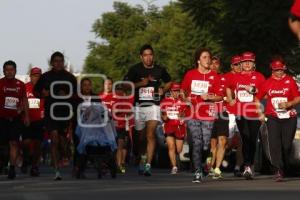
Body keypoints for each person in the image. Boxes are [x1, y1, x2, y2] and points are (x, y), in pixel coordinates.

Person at [124, 44, 172, 176]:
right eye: (145, 55)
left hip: (154, 105)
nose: (148, 58)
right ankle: (142, 157)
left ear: (153, 56)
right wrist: (140, 84)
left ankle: (148, 165)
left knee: (150, 134)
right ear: (141, 57)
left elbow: (169, 81)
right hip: (139, 106)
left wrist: (164, 89)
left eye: (150, 55)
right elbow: (125, 85)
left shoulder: (159, 69)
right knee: (141, 138)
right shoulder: (135, 70)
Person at [181, 48, 222, 183]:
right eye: (204, 57)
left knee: (205, 145)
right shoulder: (190, 74)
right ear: (198, 60)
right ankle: (197, 171)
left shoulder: (214, 76)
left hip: (208, 113)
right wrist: (196, 98)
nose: (208, 60)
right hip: (192, 113)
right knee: (197, 142)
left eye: (209, 57)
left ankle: (203, 164)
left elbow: (219, 97)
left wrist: (210, 97)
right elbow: (182, 95)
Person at [34, 52, 77, 180]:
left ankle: (65, 154)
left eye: (60, 61)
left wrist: (68, 95)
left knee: (63, 142)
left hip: (65, 112)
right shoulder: (46, 76)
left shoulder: (69, 77)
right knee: (54, 139)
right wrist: (43, 94)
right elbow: (36, 91)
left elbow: (77, 94)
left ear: (63, 62)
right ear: (52, 63)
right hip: (51, 111)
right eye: (56, 61)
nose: (58, 63)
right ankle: (56, 170)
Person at [256, 58, 300, 182]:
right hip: (273, 117)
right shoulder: (267, 83)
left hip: (289, 117)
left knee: (286, 145)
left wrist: (289, 103)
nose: (279, 72)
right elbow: (257, 98)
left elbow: (298, 98)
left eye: (281, 70)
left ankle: (285, 165)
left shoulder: (290, 81)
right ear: (272, 71)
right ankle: (279, 170)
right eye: (276, 70)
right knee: (275, 144)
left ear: (284, 69)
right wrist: (260, 113)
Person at [226, 52, 265, 180]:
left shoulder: (259, 77)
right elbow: (228, 87)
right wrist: (231, 99)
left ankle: (250, 164)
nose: (247, 64)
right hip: (240, 111)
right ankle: (247, 166)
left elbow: (265, 94)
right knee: (245, 137)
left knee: (252, 139)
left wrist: (254, 90)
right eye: (244, 62)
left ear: (254, 64)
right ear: (241, 64)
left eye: (250, 62)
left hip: (254, 112)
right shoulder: (235, 77)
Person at [0, 60, 30, 179]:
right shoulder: (0, 83)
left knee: (14, 143)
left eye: (11, 69)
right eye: (7, 70)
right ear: (3, 71)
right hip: (2, 118)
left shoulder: (20, 84)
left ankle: (12, 168)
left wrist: (27, 115)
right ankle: (4, 163)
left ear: (15, 71)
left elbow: (25, 100)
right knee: (3, 145)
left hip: (16, 119)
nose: (9, 72)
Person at [208, 56, 229, 180]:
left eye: (216, 63)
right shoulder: (204, 78)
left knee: (223, 141)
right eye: (211, 63)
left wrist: (228, 99)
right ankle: (210, 166)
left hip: (222, 112)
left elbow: (230, 94)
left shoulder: (224, 78)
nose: (214, 66)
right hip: (207, 114)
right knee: (213, 143)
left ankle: (217, 168)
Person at [160, 82, 188, 174]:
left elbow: (186, 114)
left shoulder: (183, 101)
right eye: (174, 91)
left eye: (177, 91)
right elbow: (162, 114)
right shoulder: (165, 101)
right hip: (169, 126)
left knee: (178, 149)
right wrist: (164, 117)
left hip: (180, 127)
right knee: (171, 146)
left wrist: (182, 115)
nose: (175, 93)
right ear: (170, 91)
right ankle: (174, 166)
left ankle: (175, 160)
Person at [22, 67, 44, 177]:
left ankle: (35, 166)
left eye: (39, 76)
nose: (37, 77)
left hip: (39, 121)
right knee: (26, 143)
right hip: (26, 120)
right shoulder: (24, 87)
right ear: (30, 76)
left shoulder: (44, 89)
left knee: (38, 144)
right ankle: (25, 158)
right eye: (35, 75)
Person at [223, 55, 243, 177]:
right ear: (232, 66)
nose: (239, 66)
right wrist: (228, 98)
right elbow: (222, 90)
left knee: (241, 142)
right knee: (228, 142)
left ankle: (237, 167)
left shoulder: (245, 76)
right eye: (236, 64)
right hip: (230, 112)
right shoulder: (227, 76)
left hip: (242, 112)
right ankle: (218, 157)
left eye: (240, 64)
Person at [112, 85, 134, 174]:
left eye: (121, 90)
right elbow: (115, 111)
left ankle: (120, 165)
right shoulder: (115, 101)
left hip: (123, 126)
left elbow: (130, 111)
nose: (119, 92)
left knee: (122, 146)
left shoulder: (127, 101)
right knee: (117, 147)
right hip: (114, 126)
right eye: (118, 90)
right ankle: (117, 165)